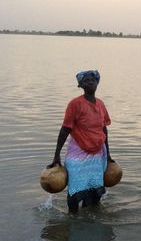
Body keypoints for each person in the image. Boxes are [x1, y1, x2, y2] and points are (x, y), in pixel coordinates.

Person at [49, 70, 114, 213]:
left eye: (93, 79)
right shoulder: (75, 104)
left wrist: (108, 154)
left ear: (97, 83)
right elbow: (65, 129)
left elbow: (104, 130)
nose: (90, 82)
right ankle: (73, 218)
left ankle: (90, 215)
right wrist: (56, 155)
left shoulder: (101, 104)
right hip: (78, 154)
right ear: (80, 85)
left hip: (97, 155)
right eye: (86, 80)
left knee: (95, 189)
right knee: (75, 190)